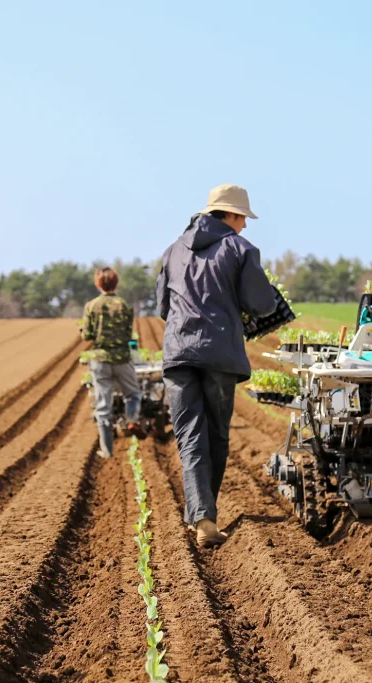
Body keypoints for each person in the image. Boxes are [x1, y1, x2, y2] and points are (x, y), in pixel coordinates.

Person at [156, 184, 279, 547]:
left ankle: (202, 516)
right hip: (219, 355)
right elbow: (260, 303)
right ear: (231, 215)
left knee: (189, 437)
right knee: (216, 436)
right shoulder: (241, 249)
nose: (245, 226)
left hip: (178, 354)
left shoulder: (172, 250)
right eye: (243, 218)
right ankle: (205, 517)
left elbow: (163, 307)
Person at [81, 267, 145, 458]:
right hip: (122, 359)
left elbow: (88, 335)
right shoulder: (124, 305)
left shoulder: (91, 306)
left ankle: (107, 450)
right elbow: (127, 334)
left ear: (98, 284)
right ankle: (132, 419)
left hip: (100, 361)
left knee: (103, 405)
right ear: (116, 283)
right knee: (132, 394)